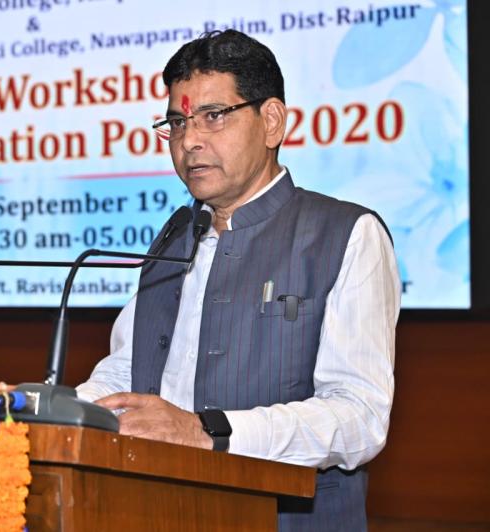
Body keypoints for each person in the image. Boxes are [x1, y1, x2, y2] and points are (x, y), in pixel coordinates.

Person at [76, 30, 400, 531]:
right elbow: (127, 372)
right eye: (178, 122)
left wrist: (209, 432)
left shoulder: (346, 235)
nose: (189, 140)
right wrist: (58, 412)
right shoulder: (173, 239)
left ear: (271, 122)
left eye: (213, 116)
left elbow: (360, 418)